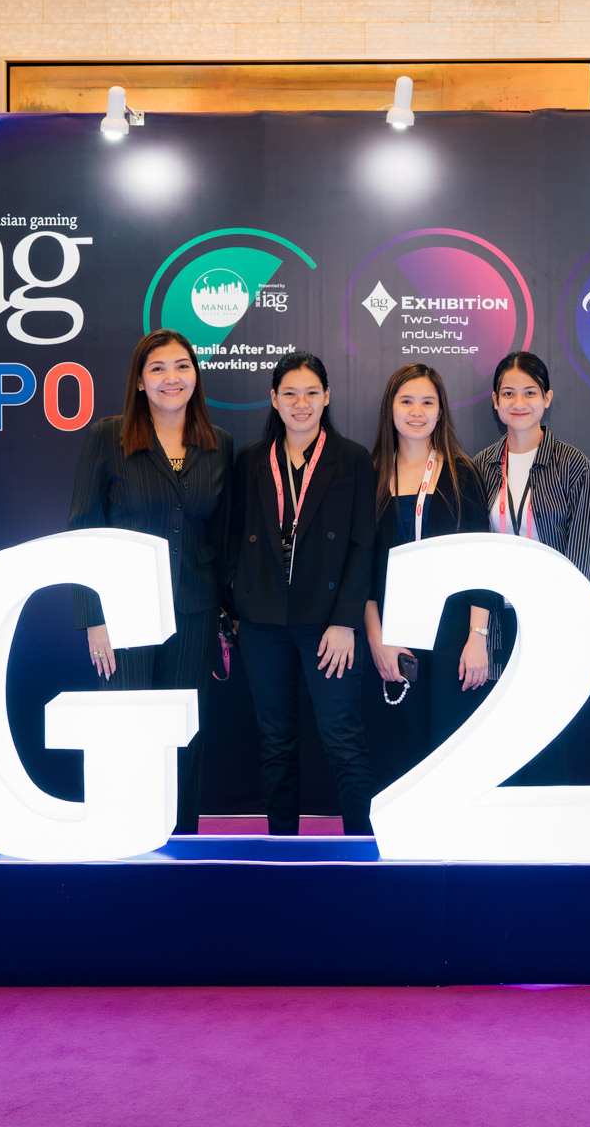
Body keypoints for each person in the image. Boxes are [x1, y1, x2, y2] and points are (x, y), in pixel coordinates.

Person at [66, 329, 234, 836]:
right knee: (128, 730)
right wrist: (93, 618)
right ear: (140, 381)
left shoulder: (218, 444)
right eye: (157, 368)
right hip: (125, 615)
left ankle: (181, 842)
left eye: (181, 366)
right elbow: (82, 531)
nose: (171, 378)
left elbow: (223, 536)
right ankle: (125, 840)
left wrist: (228, 616)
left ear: (195, 376)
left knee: (183, 736)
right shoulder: (108, 437)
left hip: (195, 614)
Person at [228, 352, 378, 835]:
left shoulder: (352, 459)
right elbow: (232, 538)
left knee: (342, 739)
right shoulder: (251, 460)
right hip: (263, 624)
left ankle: (362, 848)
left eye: (312, 393)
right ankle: (282, 848)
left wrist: (345, 620)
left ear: (327, 397)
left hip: (327, 623)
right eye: (290, 393)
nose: (301, 403)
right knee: (275, 743)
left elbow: (364, 544)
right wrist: (237, 608)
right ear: (274, 399)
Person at [470, 352, 590, 782]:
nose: (519, 403)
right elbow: (474, 554)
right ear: (495, 401)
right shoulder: (480, 467)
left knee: (547, 739)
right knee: (499, 739)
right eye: (509, 393)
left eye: (530, 393)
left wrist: (566, 621)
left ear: (547, 398)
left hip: (554, 622)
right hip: (498, 623)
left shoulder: (573, 466)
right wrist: (477, 631)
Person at [363, 363, 494, 779]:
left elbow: (480, 560)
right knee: (400, 754)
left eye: (427, 402)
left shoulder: (460, 473)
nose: (416, 411)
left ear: (440, 411)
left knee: (448, 750)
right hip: (393, 634)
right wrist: (377, 640)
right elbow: (359, 569)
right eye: (406, 401)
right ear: (390, 408)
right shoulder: (369, 475)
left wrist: (477, 637)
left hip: (451, 633)